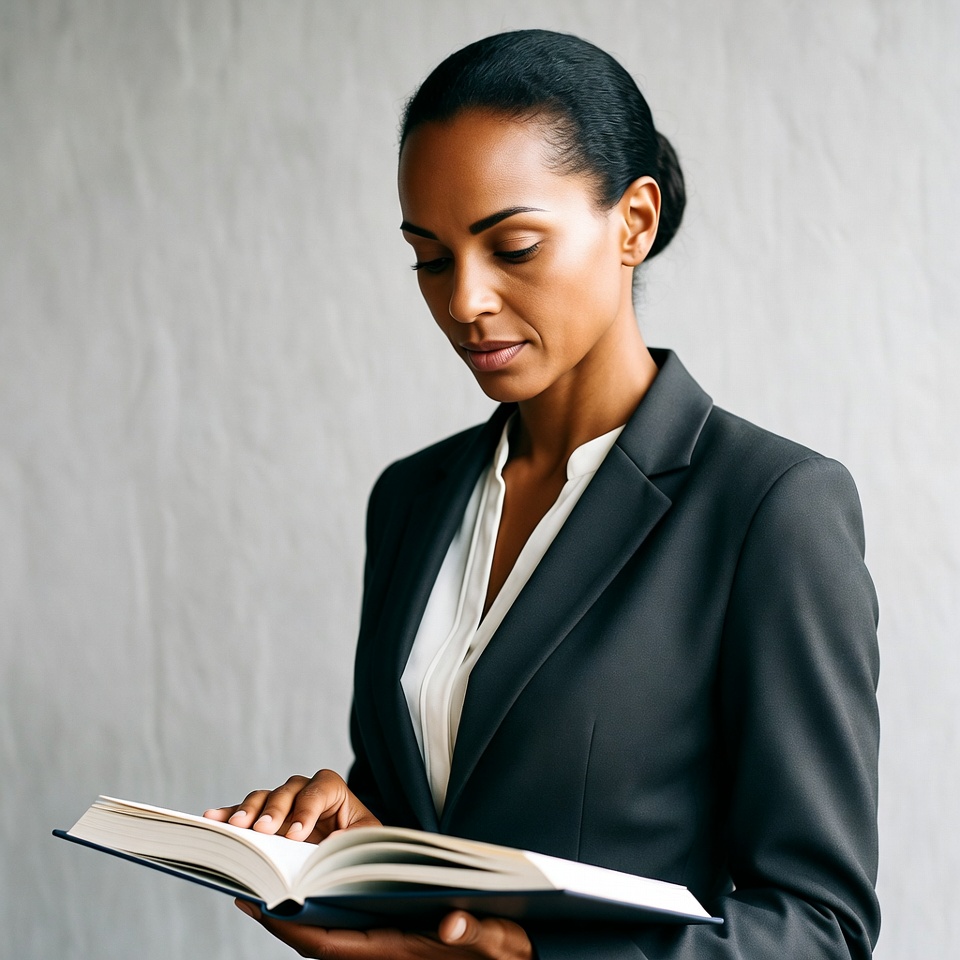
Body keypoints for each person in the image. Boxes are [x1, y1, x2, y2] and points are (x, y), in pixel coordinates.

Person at [204, 29, 880, 959]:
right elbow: (437, 840)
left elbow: (821, 929)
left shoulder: (770, 507)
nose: (465, 301)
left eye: (513, 246)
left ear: (633, 223)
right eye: (430, 258)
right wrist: (355, 842)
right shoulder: (411, 499)